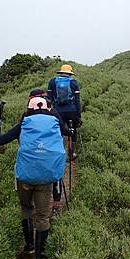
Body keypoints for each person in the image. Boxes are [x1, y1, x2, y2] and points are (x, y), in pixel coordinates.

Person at [0, 89, 69, 259]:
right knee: (42, 216)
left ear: (29, 107)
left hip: (24, 177)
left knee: (26, 208)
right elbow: (67, 133)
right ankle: (40, 257)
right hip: (46, 178)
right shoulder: (54, 122)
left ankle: (29, 246)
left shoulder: (24, 123)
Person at [47, 64, 82, 212]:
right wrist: (78, 116)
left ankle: (58, 151)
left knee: (59, 131)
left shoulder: (52, 82)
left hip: (58, 111)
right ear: (70, 74)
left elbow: (48, 99)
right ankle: (72, 151)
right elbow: (77, 101)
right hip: (71, 111)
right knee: (72, 129)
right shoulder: (73, 83)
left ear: (60, 72)